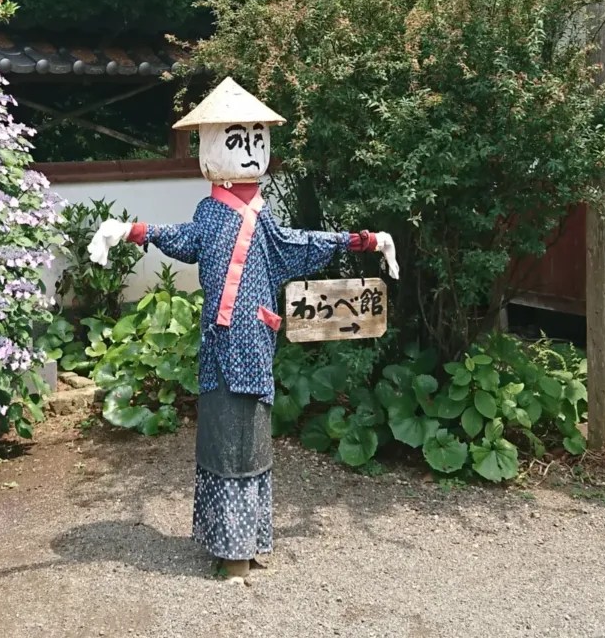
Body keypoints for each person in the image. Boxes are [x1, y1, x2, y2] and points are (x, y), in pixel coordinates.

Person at [87, 78, 396, 583]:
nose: (249, 148)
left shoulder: (264, 222)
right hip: (221, 347)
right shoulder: (210, 216)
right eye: (236, 137)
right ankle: (231, 548)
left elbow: (304, 243)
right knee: (225, 439)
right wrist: (129, 230)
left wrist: (362, 240)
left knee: (248, 441)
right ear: (211, 145)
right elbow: (180, 237)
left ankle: (246, 544)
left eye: (255, 137)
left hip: (253, 343)